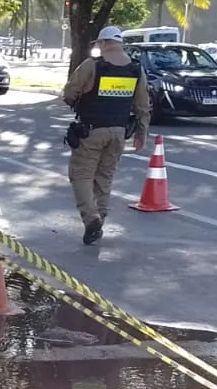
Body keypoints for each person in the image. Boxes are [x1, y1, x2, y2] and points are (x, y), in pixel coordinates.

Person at [61, 25, 151, 245]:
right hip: (119, 133)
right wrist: (142, 133)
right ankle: (100, 218)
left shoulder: (92, 65)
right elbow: (143, 106)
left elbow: (70, 92)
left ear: (102, 43)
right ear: (120, 43)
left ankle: (91, 220)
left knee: (81, 175)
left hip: (91, 131)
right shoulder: (135, 69)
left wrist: (79, 102)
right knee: (104, 178)